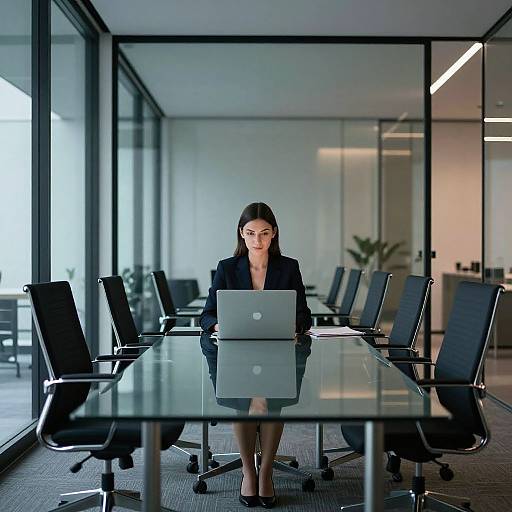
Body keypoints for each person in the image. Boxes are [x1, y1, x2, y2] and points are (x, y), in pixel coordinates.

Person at [200, 202, 312, 508]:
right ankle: (248, 472)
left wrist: (295, 323)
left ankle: (266, 473)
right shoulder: (227, 268)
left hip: (279, 350)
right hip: (236, 351)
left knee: (272, 401)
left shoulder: (288, 267)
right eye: (250, 233)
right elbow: (206, 316)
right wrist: (220, 323)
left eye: (264, 233)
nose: (257, 240)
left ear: (274, 233)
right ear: (241, 233)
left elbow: (305, 314)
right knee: (243, 399)